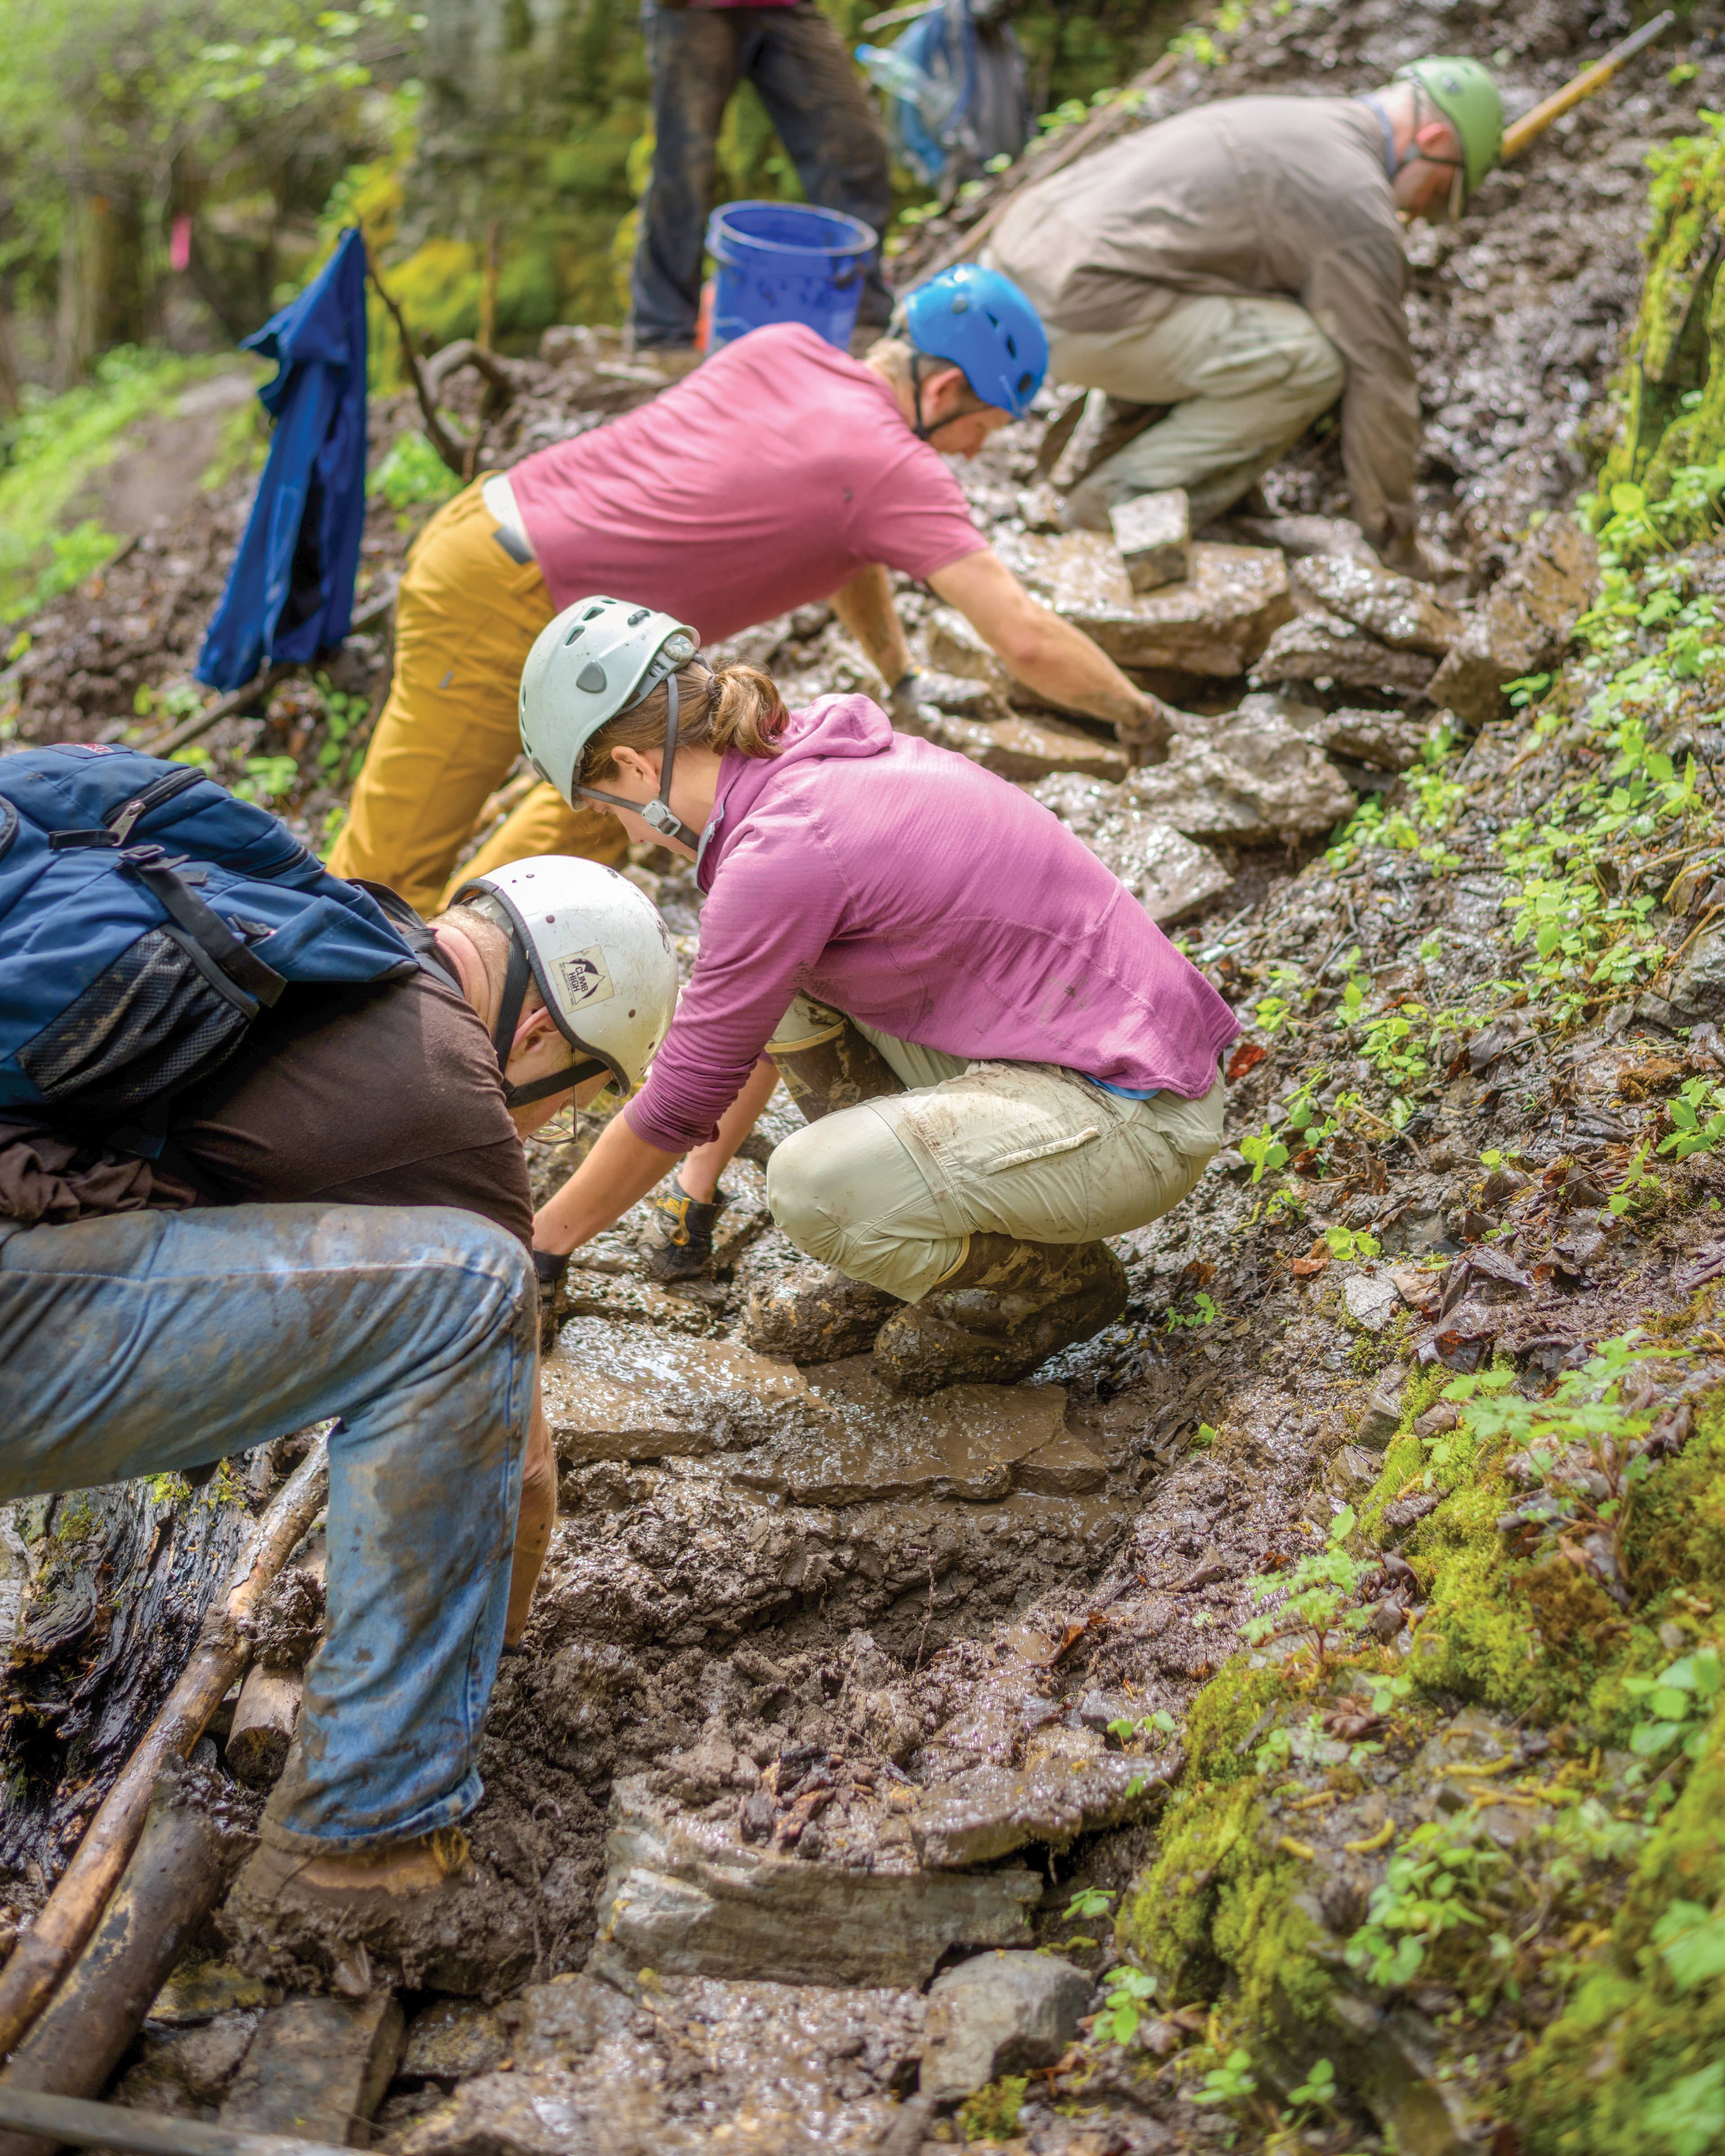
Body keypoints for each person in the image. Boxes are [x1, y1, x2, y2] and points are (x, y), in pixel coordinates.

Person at [0, 816, 677, 1970]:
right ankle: (367, 1839)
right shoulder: (442, 1089)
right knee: (468, 1291)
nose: (546, 1129)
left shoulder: (295, 919)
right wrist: (496, 1645)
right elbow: (518, 1468)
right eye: (572, 1097)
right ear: (534, 1028)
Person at [520, 599, 1241, 1396]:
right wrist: (697, 1188)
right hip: (1094, 1049)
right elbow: (739, 1035)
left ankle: (1056, 1285)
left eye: (608, 811)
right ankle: (908, 1220)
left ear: (637, 769)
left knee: (807, 1186)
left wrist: (544, 1246)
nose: (632, 837)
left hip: (1136, 1117)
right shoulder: (800, 759)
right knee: (783, 994)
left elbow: (683, 1094)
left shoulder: (781, 850)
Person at [327, 265, 1189, 923]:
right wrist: (1141, 715)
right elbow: (1026, 635)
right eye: (980, 429)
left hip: (503, 542)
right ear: (943, 391)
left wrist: (902, 678)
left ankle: (472, 972)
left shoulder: (789, 350)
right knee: (387, 866)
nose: (970, 453)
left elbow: (849, 550)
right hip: (504, 591)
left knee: (631, 802)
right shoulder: (896, 467)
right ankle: (316, 1030)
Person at [983, 58, 1504, 577]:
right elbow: (1382, 378)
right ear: (1433, 140)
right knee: (1310, 361)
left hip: (1014, 266)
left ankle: (1089, 473)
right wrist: (1397, 544)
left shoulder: (1292, 119)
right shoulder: (1353, 200)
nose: (1419, 211)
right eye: (1437, 193)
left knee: (1253, 322)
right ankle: (1119, 503)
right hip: (1069, 311)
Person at [631, 0, 893, 353]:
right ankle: (662, 334)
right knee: (683, 168)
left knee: (855, 147)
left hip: (787, 7)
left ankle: (863, 319)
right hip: (692, 10)